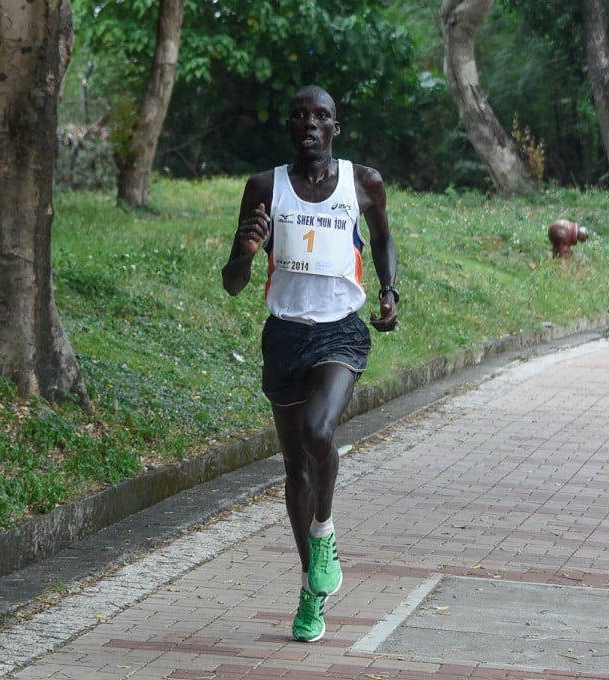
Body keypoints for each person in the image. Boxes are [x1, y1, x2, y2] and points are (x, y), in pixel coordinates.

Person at [221, 85, 399, 643]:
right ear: (290, 127)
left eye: (321, 116)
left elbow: (383, 238)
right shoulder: (262, 188)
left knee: (321, 433)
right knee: (295, 467)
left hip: (341, 333)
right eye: (300, 115)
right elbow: (232, 283)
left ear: (335, 128)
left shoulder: (363, 182)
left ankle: (324, 531)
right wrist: (246, 254)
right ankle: (310, 589)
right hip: (284, 336)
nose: (310, 124)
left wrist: (390, 291)